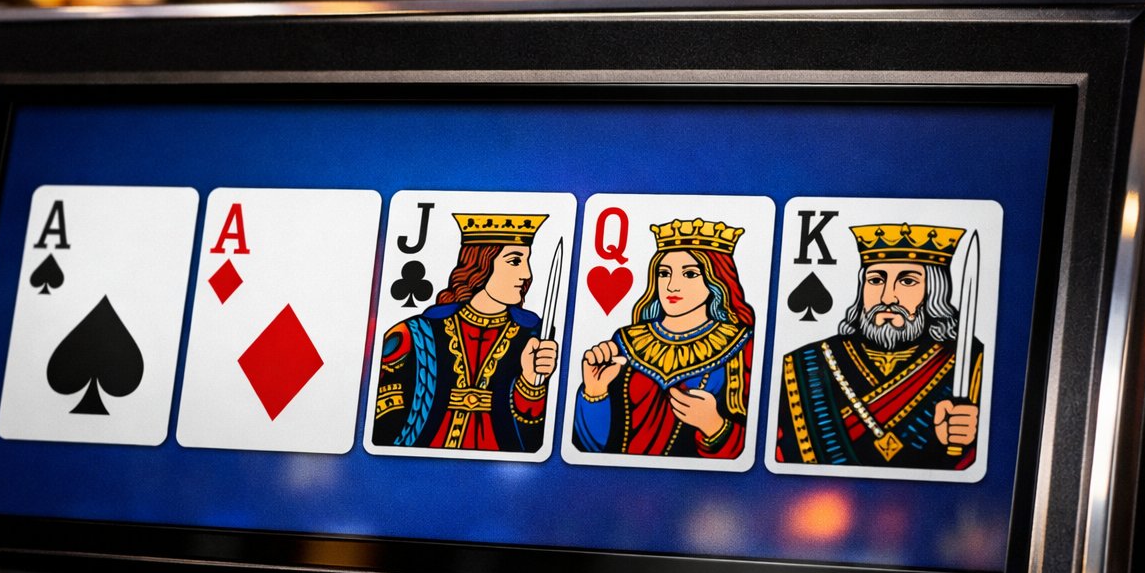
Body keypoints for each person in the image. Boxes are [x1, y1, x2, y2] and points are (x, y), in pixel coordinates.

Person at [775, 222, 982, 469]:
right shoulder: (803, 363)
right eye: (876, 280)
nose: (887, 297)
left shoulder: (970, 362)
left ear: (934, 292)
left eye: (907, 281)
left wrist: (962, 445)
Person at [373, 212, 558, 452]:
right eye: (514, 261)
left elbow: (536, 435)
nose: (527, 274)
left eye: (526, 261)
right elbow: (383, 420)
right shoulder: (416, 334)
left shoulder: (535, 337)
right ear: (481, 263)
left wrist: (531, 383)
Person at [572, 218, 754, 459]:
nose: (672, 285)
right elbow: (591, 450)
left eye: (689, 274)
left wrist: (715, 426)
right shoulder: (626, 342)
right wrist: (594, 392)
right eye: (664, 273)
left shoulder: (742, 346)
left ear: (716, 280)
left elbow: (760, 445)